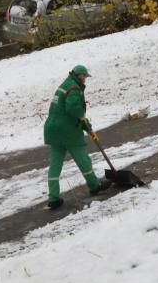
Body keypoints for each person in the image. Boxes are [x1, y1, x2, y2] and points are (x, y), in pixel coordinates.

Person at [43, 65, 111, 209]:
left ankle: (53, 198)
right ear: (80, 75)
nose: (85, 79)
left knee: (55, 164)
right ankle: (94, 186)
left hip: (53, 129)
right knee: (82, 159)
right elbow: (73, 109)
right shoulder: (74, 88)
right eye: (85, 76)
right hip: (67, 131)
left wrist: (86, 125)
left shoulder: (64, 85)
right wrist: (83, 120)